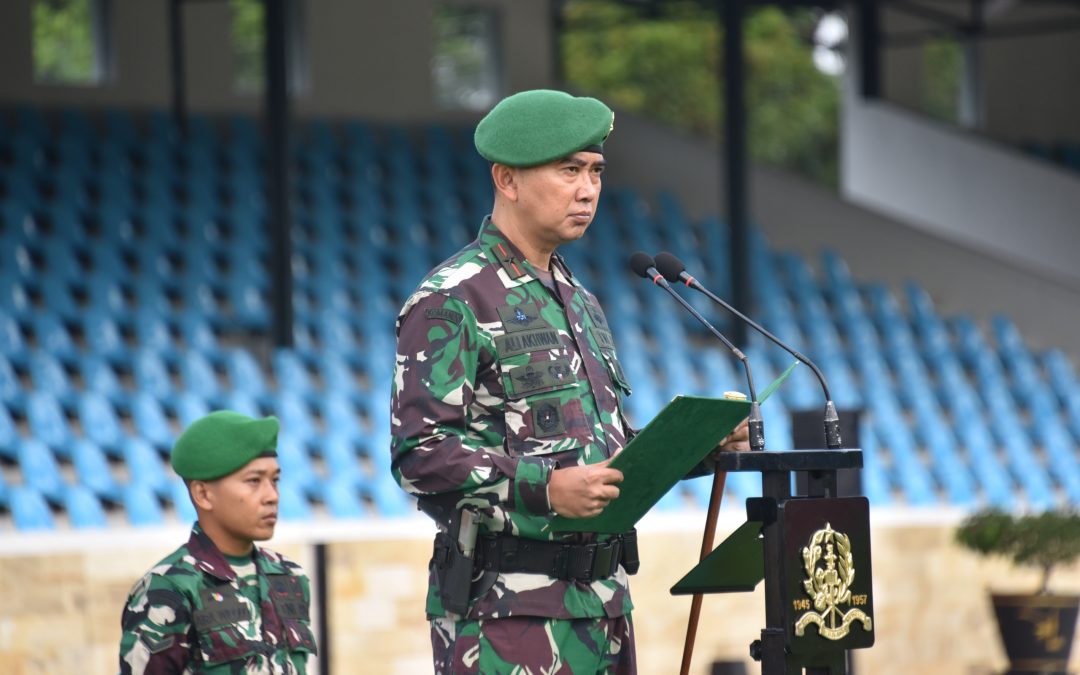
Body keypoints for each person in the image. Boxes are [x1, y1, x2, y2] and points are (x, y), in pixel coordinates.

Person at [390, 89, 749, 674]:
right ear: (507, 179)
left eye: (595, 172)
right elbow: (420, 456)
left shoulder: (578, 300)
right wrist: (547, 488)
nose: (587, 190)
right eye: (568, 170)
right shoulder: (453, 298)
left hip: (604, 607)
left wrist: (702, 448)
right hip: (507, 617)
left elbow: (606, 457)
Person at [119, 410, 318, 674]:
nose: (272, 496)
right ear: (203, 494)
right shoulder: (169, 590)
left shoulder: (289, 576)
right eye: (254, 481)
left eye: (275, 480)